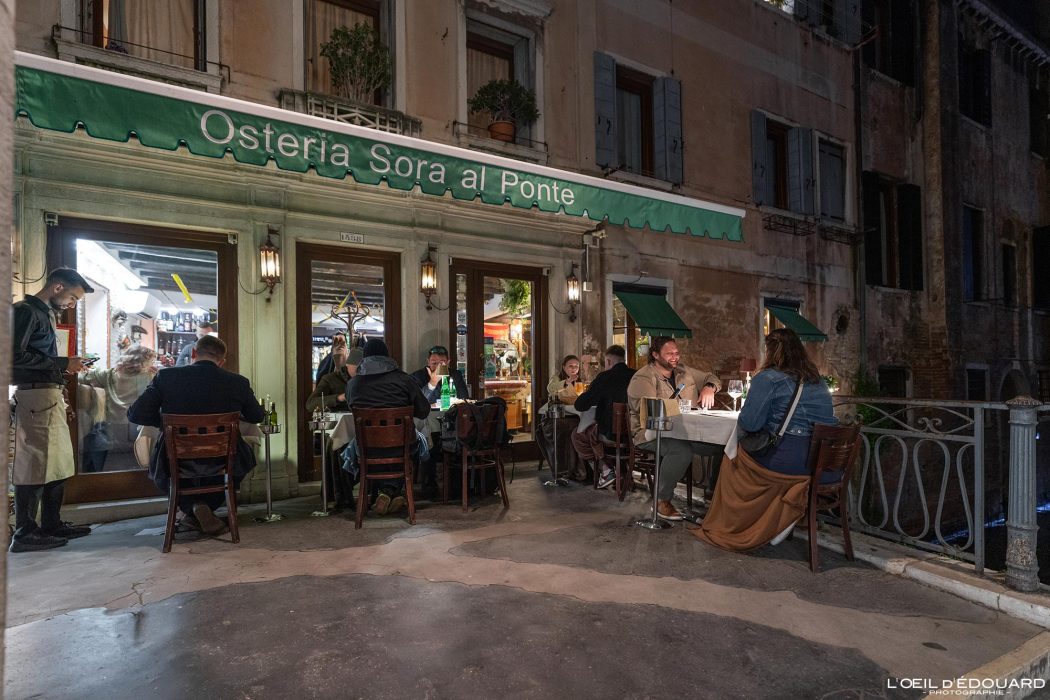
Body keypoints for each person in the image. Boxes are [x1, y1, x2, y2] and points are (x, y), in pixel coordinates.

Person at [694, 328, 838, 551]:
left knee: (731, 458)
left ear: (770, 352)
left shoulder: (767, 379)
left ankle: (740, 524)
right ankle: (784, 514)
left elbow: (751, 423)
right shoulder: (818, 382)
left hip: (788, 461)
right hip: (822, 463)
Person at [128, 335, 267, 536]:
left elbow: (136, 414)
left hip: (176, 457)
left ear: (193, 353)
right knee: (242, 460)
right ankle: (203, 507)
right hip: (222, 458)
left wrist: (164, 423)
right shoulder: (237, 382)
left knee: (164, 466)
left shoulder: (166, 377)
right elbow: (256, 416)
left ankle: (192, 507)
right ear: (222, 361)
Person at [10, 268, 94, 552]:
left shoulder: (45, 314)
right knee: (35, 464)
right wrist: (63, 363)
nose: (71, 304)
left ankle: (51, 524)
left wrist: (65, 367)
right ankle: (25, 533)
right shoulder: (25, 311)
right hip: (35, 396)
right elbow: (13, 356)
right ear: (57, 287)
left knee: (58, 462)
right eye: (72, 297)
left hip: (47, 393)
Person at [626, 336, 722, 521]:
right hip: (650, 434)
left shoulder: (684, 371)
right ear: (655, 355)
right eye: (669, 353)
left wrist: (709, 387)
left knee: (722, 446)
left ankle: (714, 495)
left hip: (685, 432)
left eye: (677, 353)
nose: (675, 357)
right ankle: (661, 501)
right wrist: (682, 407)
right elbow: (648, 409)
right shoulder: (643, 377)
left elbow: (711, 377)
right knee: (681, 450)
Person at [346, 338, 430, 515]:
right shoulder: (404, 379)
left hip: (367, 449)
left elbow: (351, 407)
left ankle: (386, 493)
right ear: (387, 356)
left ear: (364, 358)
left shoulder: (353, 384)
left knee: (357, 449)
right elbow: (423, 411)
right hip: (403, 447)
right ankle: (392, 492)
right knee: (417, 443)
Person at [79, 346, 158, 469]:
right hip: (138, 429)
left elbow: (80, 378)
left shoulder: (108, 375)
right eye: (152, 362)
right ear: (144, 362)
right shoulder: (151, 377)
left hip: (112, 428)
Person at [306, 346, 363, 510]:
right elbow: (311, 404)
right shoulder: (330, 379)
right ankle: (341, 495)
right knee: (337, 447)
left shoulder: (366, 380)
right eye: (357, 369)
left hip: (361, 429)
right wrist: (338, 398)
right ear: (349, 365)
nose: (360, 372)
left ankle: (346, 494)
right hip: (335, 428)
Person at [572, 345, 636, 489]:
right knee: (599, 432)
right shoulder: (636, 375)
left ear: (608, 361)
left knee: (578, 435)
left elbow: (580, 405)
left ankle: (605, 470)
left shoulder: (605, 377)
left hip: (612, 434)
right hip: (635, 433)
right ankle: (622, 474)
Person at [409, 344, 467, 497]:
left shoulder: (455, 375)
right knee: (430, 441)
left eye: (442, 363)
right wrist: (432, 383)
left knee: (459, 440)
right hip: (426, 427)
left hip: (452, 425)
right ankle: (430, 486)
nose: (438, 366)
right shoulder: (418, 376)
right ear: (428, 362)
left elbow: (463, 398)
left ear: (448, 362)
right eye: (434, 363)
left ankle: (457, 487)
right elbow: (417, 403)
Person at [539, 355, 586, 480]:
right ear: (564, 367)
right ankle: (564, 469)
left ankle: (581, 469)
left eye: (576, 366)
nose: (574, 369)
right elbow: (551, 389)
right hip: (556, 416)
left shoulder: (580, 381)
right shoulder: (557, 378)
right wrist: (567, 382)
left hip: (573, 415)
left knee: (582, 428)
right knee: (568, 430)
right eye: (570, 366)